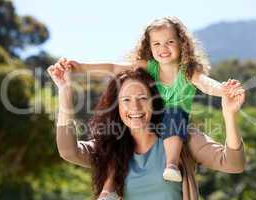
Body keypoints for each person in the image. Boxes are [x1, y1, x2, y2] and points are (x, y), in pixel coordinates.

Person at [54, 17, 239, 195]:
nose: (163, 49)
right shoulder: (150, 68)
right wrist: (79, 71)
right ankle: (108, 190)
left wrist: (224, 93)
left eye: (170, 42)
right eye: (156, 44)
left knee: (173, 114)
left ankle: (171, 164)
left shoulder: (187, 74)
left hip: (175, 122)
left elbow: (205, 83)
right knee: (115, 145)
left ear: (182, 44)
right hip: (152, 123)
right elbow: (113, 68)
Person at [47, 64, 246, 200]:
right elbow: (68, 151)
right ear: (116, 106)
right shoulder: (110, 148)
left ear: (155, 102)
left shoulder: (180, 137)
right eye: (126, 100)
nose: (135, 107)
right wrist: (65, 91)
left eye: (142, 98)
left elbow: (233, 164)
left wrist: (229, 115)